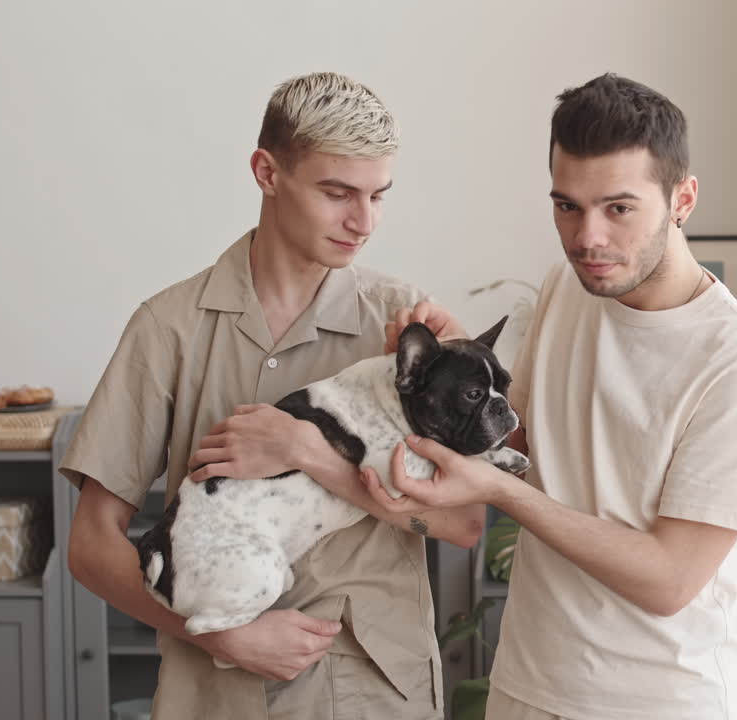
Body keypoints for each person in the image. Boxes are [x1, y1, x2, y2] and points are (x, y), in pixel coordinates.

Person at [365, 73, 737, 720]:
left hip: (657, 704)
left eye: (619, 208)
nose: (587, 237)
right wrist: (457, 367)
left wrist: (498, 491)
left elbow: (669, 579)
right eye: (567, 205)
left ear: (683, 199)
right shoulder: (569, 290)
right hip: (527, 683)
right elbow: (527, 443)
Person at [62, 71, 477, 719]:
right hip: (212, 692)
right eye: (337, 192)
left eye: (378, 195)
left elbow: (462, 523)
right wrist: (225, 634)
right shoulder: (168, 327)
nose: (362, 221)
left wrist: (310, 454)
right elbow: (91, 544)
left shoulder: (404, 326)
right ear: (266, 172)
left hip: (373, 692)